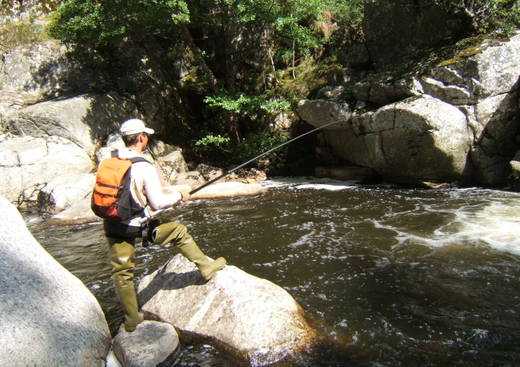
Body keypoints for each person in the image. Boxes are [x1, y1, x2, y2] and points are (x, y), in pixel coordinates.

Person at [102, 118, 227, 332]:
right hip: (136, 225)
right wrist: (180, 195)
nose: (147, 138)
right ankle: (206, 267)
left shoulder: (108, 160)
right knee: (178, 230)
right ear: (141, 137)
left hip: (112, 223)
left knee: (122, 272)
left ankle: (132, 320)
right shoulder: (142, 165)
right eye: (146, 136)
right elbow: (157, 202)